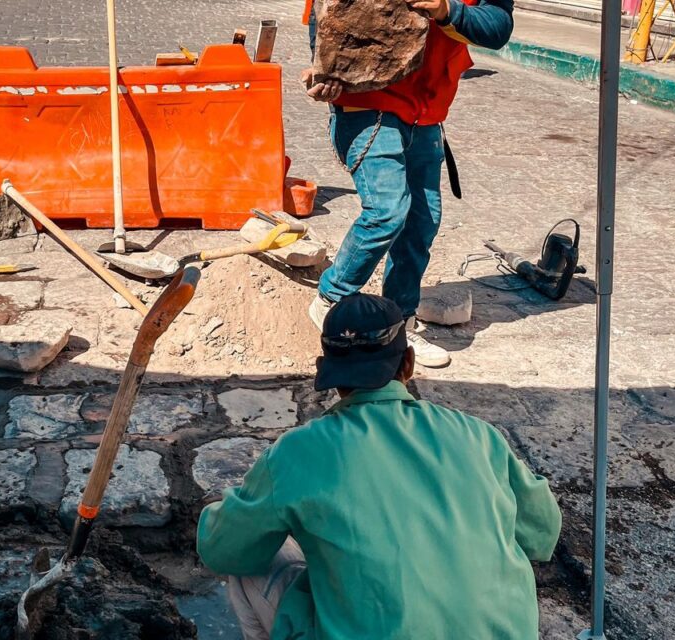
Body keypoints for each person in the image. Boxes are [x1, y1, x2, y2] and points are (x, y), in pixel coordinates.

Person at [196, 293, 562, 640]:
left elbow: (223, 550)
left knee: (252, 565)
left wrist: (223, 511)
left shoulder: (299, 452)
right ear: (409, 363)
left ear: (326, 372)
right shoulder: (479, 436)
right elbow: (541, 535)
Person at [303, 0, 516, 368]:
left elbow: (497, 26)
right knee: (387, 210)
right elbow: (325, 12)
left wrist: (447, 10)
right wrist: (326, 68)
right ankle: (331, 300)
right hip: (366, 101)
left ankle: (400, 323)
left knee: (421, 221)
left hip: (427, 111)